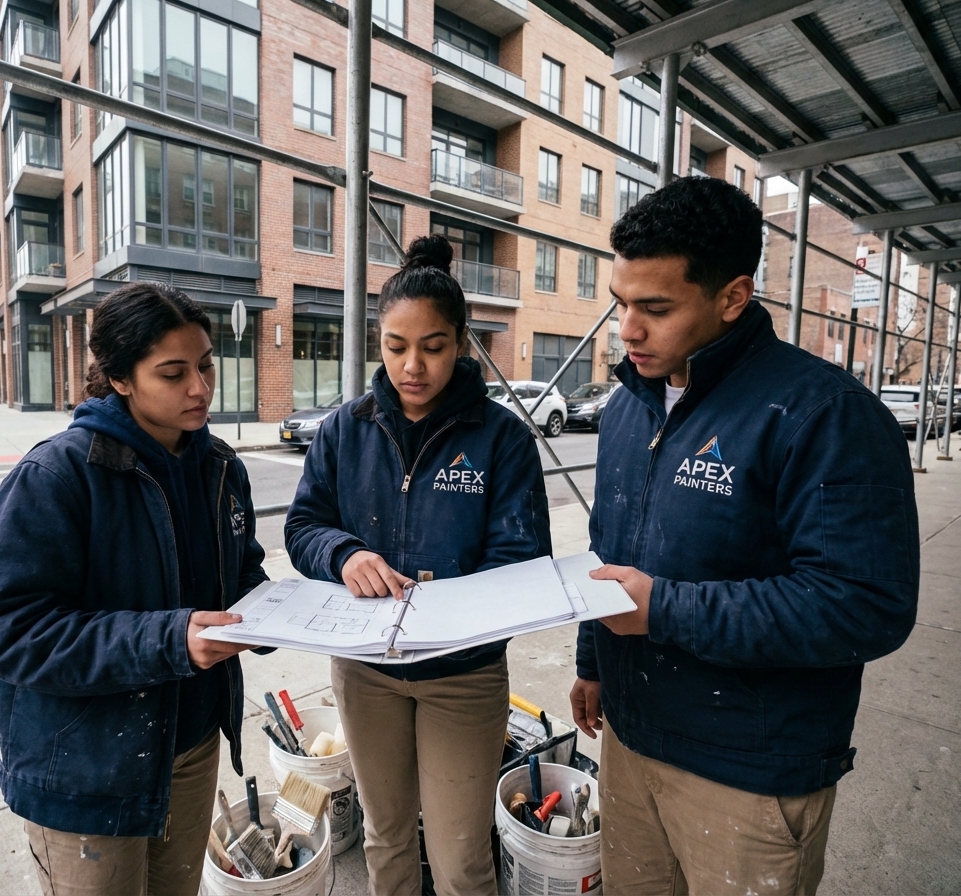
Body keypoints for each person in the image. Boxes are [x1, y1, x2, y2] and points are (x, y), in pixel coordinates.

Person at [568, 177, 919, 895]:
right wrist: (591, 659)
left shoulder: (825, 416)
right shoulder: (628, 408)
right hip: (631, 742)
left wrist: (663, 610)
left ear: (732, 296)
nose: (627, 329)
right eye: (621, 302)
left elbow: (864, 605)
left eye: (655, 308)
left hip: (748, 772)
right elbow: (610, 550)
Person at [0, 282, 267, 896]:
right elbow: (9, 631)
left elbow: (241, 576)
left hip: (191, 748)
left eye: (206, 365)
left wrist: (286, 613)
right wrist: (169, 640)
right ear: (122, 379)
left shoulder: (221, 468)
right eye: (173, 372)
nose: (200, 388)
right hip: (88, 769)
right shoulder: (57, 476)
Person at [285, 235, 551, 896]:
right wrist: (344, 555)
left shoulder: (501, 439)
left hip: (462, 677)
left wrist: (447, 601)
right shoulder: (346, 430)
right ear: (378, 342)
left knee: (461, 856)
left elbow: (523, 559)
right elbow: (304, 527)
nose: (413, 366)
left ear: (461, 343)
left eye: (432, 347)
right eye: (396, 347)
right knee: (386, 834)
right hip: (366, 672)